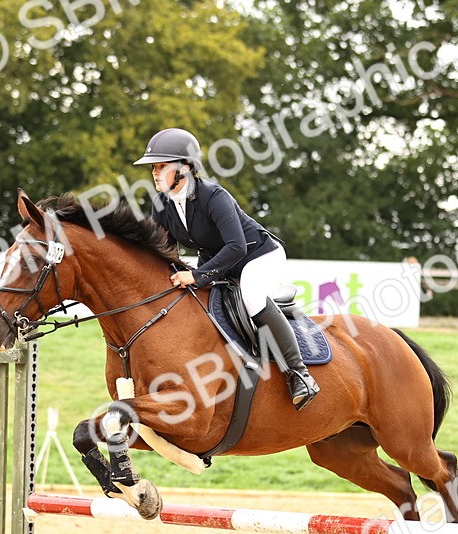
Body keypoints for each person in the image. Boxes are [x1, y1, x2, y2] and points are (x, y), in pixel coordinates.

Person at [134, 128, 319, 410]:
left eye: (161, 166)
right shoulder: (161, 204)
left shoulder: (213, 196)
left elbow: (237, 247)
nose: (155, 173)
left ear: (184, 168)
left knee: (252, 297)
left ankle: (299, 374)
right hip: (220, 261)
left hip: (259, 256)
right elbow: (164, 250)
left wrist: (196, 275)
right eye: (153, 167)